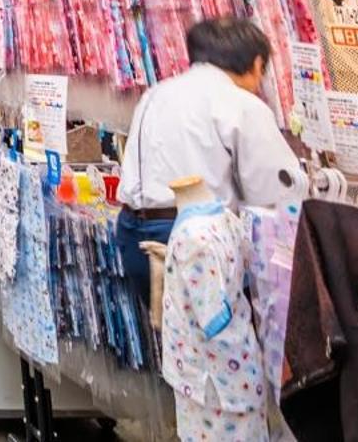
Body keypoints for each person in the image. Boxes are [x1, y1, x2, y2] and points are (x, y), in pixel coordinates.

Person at [115, 17, 304, 315]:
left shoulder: (155, 94)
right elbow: (275, 196)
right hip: (197, 245)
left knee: (180, 348)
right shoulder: (242, 105)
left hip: (135, 235)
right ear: (256, 64)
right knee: (220, 349)